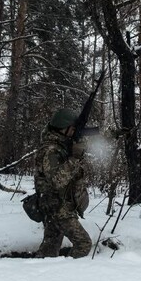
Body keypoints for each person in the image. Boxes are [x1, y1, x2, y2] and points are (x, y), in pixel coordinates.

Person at [33, 108, 92, 258]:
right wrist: (75, 158)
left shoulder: (62, 145)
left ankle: (40, 270)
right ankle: (67, 271)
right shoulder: (50, 150)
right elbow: (56, 181)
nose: (74, 132)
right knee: (83, 244)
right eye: (72, 129)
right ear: (63, 128)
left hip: (57, 205)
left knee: (49, 249)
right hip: (58, 208)